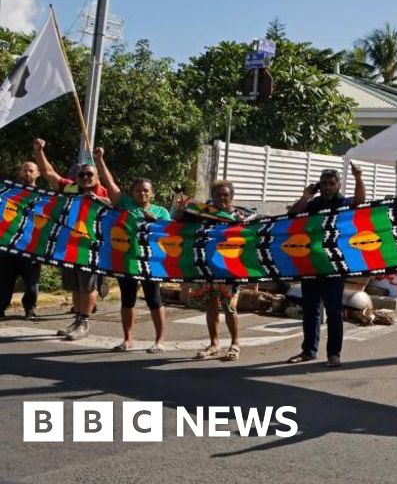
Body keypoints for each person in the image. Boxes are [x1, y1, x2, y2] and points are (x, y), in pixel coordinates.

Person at [93, 147, 172, 354]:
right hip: (126, 260)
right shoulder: (125, 204)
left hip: (150, 262)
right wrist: (99, 159)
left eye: (146, 190)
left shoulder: (161, 211)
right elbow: (109, 182)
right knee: (127, 299)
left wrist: (156, 223)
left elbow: (170, 236)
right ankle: (128, 340)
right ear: (132, 193)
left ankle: (159, 340)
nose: (142, 193)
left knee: (154, 299)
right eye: (138, 190)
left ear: (152, 193)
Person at [286, 164, 365, 368]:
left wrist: (358, 178)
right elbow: (293, 214)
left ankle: (334, 354)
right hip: (311, 264)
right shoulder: (313, 204)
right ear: (319, 186)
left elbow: (360, 202)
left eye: (332, 183)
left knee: (334, 311)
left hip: (333, 265)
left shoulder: (343, 202)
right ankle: (308, 351)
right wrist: (305, 195)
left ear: (339, 184)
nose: (328, 187)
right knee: (311, 310)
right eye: (324, 184)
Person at [34, 138, 110, 341]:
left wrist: (98, 198)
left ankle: (85, 322)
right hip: (68, 246)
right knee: (75, 286)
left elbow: (118, 205)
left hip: (92, 247)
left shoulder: (102, 191)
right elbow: (48, 173)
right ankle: (77, 319)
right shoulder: (69, 188)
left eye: (89, 174)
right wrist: (39, 151)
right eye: (81, 174)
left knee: (88, 286)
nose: (85, 177)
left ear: (97, 177)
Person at [175, 180, 254, 362]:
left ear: (231, 197)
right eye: (218, 195)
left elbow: (252, 233)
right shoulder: (202, 212)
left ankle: (235, 343)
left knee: (229, 307)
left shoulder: (241, 215)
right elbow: (179, 221)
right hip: (207, 267)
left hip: (229, 269)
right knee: (210, 304)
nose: (222, 198)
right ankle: (214, 343)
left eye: (225, 195)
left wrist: (243, 225)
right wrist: (180, 209)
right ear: (213, 196)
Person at [0, 161, 42, 321]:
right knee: (4, 281)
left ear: (37, 174)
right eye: (24, 170)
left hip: (31, 248)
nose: (27, 173)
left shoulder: (44, 196)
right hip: (7, 246)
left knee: (32, 285)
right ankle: (1, 307)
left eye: (31, 170)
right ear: (20, 173)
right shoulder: (9, 193)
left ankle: (30, 308)